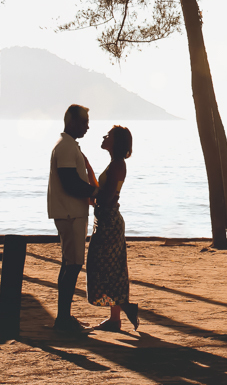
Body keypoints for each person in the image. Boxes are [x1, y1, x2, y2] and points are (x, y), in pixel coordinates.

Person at [47, 104, 100, 333]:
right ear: (70, 120)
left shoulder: (67, 145)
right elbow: (70, 182)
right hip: (70, 213)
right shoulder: (67, 147)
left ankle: (64, 318)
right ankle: (63, 320)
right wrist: (95, 192)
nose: (87, 127)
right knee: (73, 264)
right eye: (83, 122)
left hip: (70, 212)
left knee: (69, 263)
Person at [86, 125, 140, 331]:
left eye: (108, 135)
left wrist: (92, 194)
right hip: (106, 219)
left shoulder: (118, 165)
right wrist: (89, 170)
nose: (104, 137)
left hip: (108, 222)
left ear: (115, 142)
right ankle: (115, 318)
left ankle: (123, 308)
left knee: (105, 267)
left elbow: (105, 197)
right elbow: (102, 194)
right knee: (110, 267)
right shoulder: (115, 164)